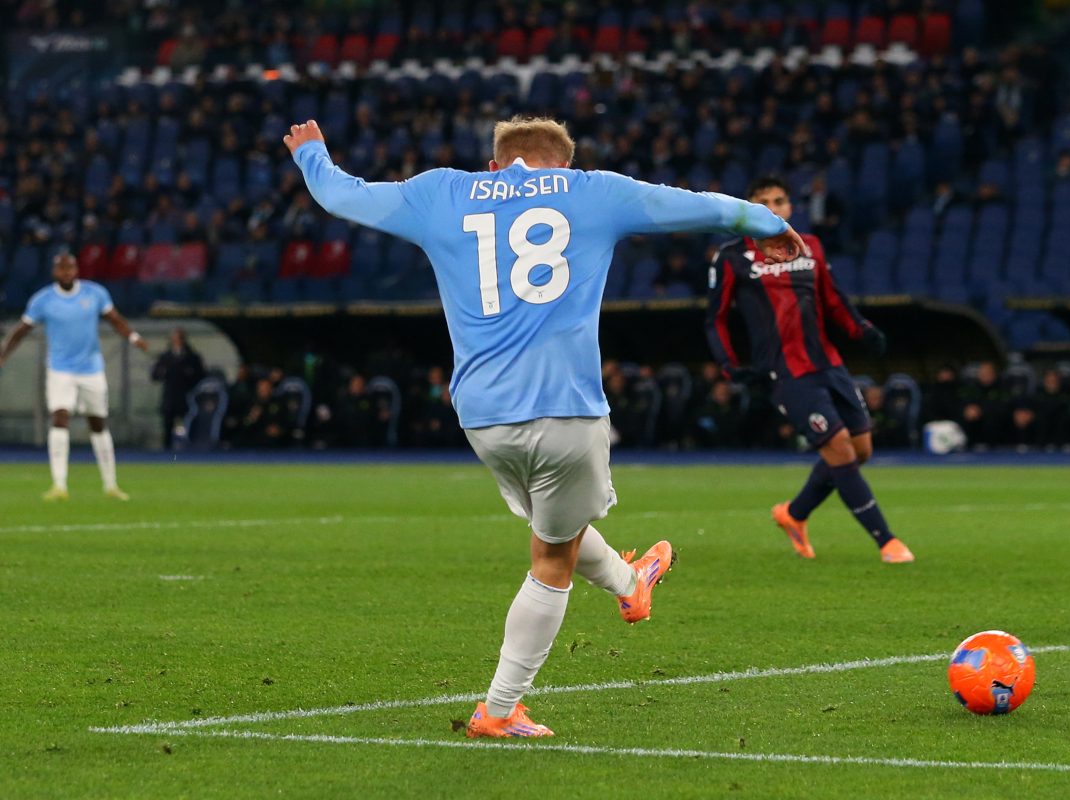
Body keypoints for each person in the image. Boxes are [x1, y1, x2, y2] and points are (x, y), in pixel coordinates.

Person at [285, 116, 808, 737]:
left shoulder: (441, 192)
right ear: (563, 162)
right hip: (565, 407)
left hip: (481, 416)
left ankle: (628, 581)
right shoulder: (591, 190)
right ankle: (500, 709)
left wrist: (313, 154)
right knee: (551, 556)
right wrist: (772, 225)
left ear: (496, 164)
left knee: (554, 525)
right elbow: (696, 207)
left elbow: (342, 195)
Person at [703, 175, 913, 564]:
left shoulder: (810, 246)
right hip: (784, 374)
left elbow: (833, 299)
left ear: (790, 208)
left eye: (779, 200)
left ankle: (794, 514)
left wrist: (861, 328)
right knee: (839, 449)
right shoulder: (731, 256)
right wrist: (730, 367)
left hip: (829, 363)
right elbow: (714, 319)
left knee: (861, 449)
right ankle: (887, 541)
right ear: (749, 208)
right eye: (762, 201)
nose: (773, 207)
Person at [0, 252, 148, 499]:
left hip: (92, 369)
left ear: (77, 270)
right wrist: (3, 353)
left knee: (97, 422)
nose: (67, 272)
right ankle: (59, 485)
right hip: (60, 369)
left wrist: (133, 337)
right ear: (54, 272)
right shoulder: (43, 300)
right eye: (62, 269)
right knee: (59, 416)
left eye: (71, 268)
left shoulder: (94, 293)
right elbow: (22, 329)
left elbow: (115, 319)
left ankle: (110, 485)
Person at [151, 328, 205, 449]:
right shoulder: (165, 357)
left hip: (186, 397)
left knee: (188, 425)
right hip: (169, 397)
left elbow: (200, 375)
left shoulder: (192, 357)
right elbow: (155, 375)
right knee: (168, 425)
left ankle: (189, 450)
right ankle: (167, 451)